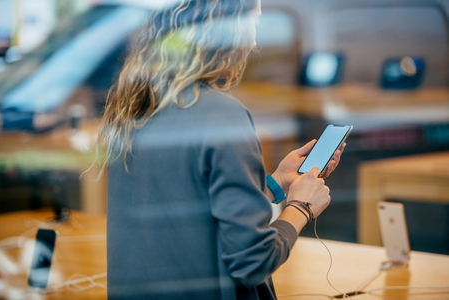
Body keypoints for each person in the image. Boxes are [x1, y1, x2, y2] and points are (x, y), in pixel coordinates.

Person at [95, 0, 345, 299]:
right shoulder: (222, 115)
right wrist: (301, 207)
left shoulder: (133, 109)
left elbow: (194, 214)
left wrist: (277, 183)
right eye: (253, 25)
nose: (253, 44)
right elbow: (253, 261)